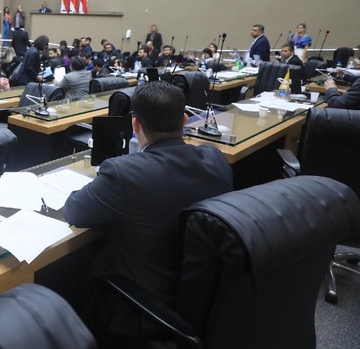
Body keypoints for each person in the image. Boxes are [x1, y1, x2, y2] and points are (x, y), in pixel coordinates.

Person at [63, 82, 233, 333]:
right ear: (185, 120)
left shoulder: (123, 172)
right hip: (203, 298)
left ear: (135, 124)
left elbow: (74, 211)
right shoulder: (215, 158)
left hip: (143, 305)